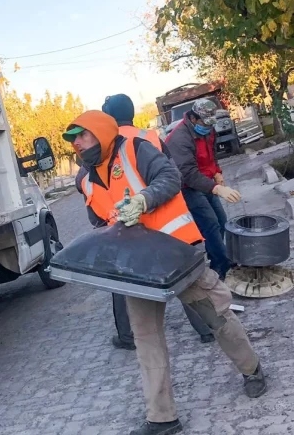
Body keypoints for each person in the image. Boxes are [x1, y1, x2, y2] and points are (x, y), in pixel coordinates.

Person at [64, 110, 265, 435]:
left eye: (82, 135)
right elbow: (99, 221)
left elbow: (171, 179)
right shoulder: (85, 179)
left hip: (176, 252)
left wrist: (144, 200)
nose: (77, 144)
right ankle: (162, 418)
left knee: (216, 316)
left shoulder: (134, 149)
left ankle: (252, 369)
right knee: (146, 338)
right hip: (138, 266)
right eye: (72, 139)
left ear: (100, 131)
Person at [96, 94, 213, 350]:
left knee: (120, 283)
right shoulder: (149, 137)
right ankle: (207, 328)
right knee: (185, 278)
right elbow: (173, 175)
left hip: (127, 232)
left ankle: (128, 337)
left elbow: (96, 203)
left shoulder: (104, 148)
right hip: (166, 225)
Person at [164, 98, 240, 280]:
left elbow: (211, 155)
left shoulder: (208, 129)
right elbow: (188, 173)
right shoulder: (178, 139)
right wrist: (216, 189)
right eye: (205, 123)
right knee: (211, 225)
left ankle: (217, 260)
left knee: (222, 221)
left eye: (211, 123)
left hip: (206, 181)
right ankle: (222, 268)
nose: (208, 127)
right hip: (187, 186)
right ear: (193, 118)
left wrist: (217, 173)